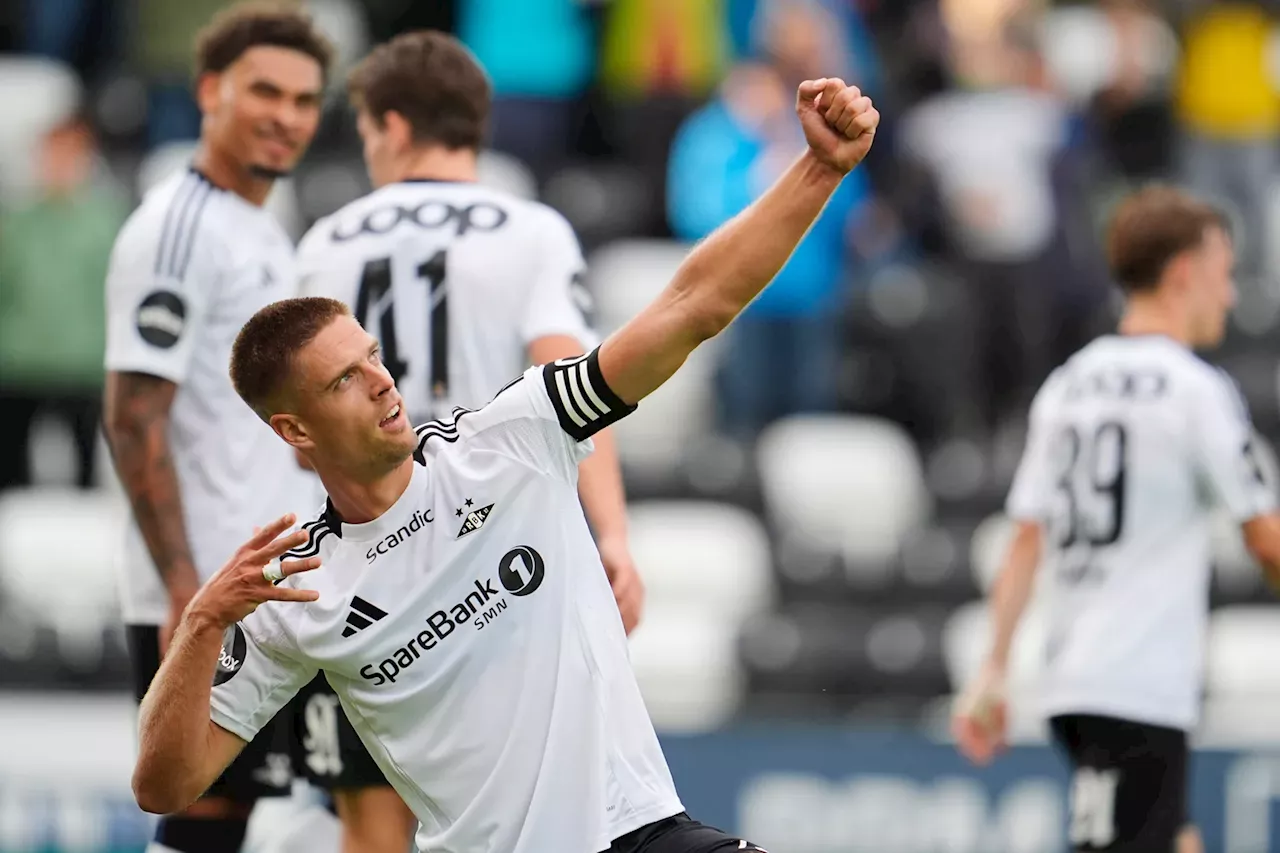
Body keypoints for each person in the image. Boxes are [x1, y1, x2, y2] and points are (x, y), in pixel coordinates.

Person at [130, 77, 879, 853]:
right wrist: (201, 624)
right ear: (294, 428)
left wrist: (819, 170)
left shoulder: (511, 437)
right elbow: (164, 784)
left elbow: (692, 306)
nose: (382, 381)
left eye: (373, 357)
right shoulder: (295, 591)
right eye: (344, 379)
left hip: (639, 832)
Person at [291, 30, 644, 849]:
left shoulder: (325, 241)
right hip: (493, 568)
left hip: (368, 577)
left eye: (370, 129)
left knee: (374, 832)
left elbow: (299, 435)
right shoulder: (532, 231)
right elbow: (577, 386)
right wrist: (615, 535)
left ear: (396, 126)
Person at [951, 185, 1280, 853]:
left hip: (1075, 679)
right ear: (1184, 271)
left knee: (1169, 838)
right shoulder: (1195, 389)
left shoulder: (1068, 383)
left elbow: (1025, 540)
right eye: (1223, 273)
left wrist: (993, 665)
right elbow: (1265, 537)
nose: (1231, 295)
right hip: (1139, 682)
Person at [101, 5, 330, 852]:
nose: (286, 115)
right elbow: (131, 417)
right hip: (208, 589)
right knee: (202, 820)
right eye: (264, 91)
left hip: (265, 580)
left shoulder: (263, 228)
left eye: (305, 99)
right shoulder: (178, 229)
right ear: (209, 90)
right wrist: (182, 593)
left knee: (238, 822)